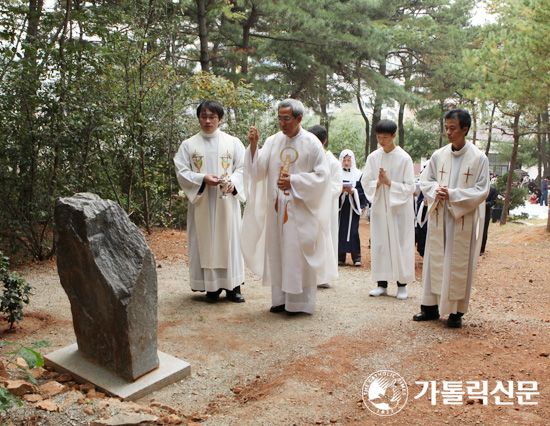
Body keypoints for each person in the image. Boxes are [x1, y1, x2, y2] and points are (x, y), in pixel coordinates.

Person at [242, 99, 333, 315]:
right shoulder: (273, 141)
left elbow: (323, 177)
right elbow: (258, 171)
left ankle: (300, 303)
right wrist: (254, 146)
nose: (282, 124)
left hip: (301, 209)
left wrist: (294, 180)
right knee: (278, 252)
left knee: (296, 253)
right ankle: (280, 300)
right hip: (277, 209)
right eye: (279, 119)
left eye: (286, 119)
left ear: (299, 119)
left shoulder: (312, 143)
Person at [413, 108, 489, 328]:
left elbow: (482, 189)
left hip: (461, 218)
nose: (448, 132)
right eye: (446, 127)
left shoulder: (479, 158)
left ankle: (455, 312)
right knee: (435, 259)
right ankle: (430, 307)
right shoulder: (439, 155)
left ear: (465, 129)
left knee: (457, 263)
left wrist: (454, 195)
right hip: (440, 216)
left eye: (452, 128)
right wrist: (436, 189)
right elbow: (425, 179)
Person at [174, 100, 246, 303]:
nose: (207, 121)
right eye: (203, 116)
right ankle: (211, 288)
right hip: (202, 201)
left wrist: (233, 182)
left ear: (220, 119)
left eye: (212, 117)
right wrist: (202, 179)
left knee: (230, 240)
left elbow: (243, 168)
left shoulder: (233, 143)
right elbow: (182, 171)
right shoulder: (188, 145)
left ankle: (234, 288)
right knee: (206, 242)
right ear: (198, 118)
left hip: (227, 203)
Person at [361, 119, 415, 300]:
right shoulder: (373, 157)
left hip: (399, 209)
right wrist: (378, 182)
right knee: (381, 244)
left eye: (385, 137)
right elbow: (365, 182)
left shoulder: (404, 158)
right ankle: (381, 284)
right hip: (379, 206)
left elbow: (410, 187)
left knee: (400, 244)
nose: (381, 141)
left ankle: (402, 284)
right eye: (378, 137)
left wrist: (389, 182)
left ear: (394, 136)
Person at [308, 125, 343, 288]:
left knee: (325, 238)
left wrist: (319, 191)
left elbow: (337, 186)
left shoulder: (333, 163)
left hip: (326, 206)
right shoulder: (308, 158)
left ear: (324, 141)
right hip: (308, 205)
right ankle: (309, 274)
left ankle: (324, 276)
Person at [338, 149, 368, 266]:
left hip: (352, 207)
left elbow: (361, 192)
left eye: (349, 160)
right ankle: (341, 256)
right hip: (341, 208)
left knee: (353, 231)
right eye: (344, 160)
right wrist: (341, 191)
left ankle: (356, 257)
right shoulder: (337, 174)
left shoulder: (358, 174)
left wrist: (352, 192)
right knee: (340, 230)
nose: (346, 163)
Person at [480, 185, 498, 255]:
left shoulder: (492, 189)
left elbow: (493, 201)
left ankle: (482, 249)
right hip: (475, 212)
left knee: (484, 231)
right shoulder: (478, 187)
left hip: (486, 212)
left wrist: (484, 205)